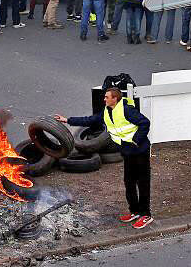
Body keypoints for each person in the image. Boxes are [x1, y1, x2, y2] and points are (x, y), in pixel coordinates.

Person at [55, 87, 153, 229]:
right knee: (129, 182)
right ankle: (135, 211)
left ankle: (146, 215)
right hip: (127, 151)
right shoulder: (107, 112)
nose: (104, 99)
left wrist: (136, 140)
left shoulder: (127, 110)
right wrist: (67, 120)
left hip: (140, 150)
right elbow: (89, 120)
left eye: (107, 97)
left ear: (115, 99)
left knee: (142, 182)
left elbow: (145, 123)